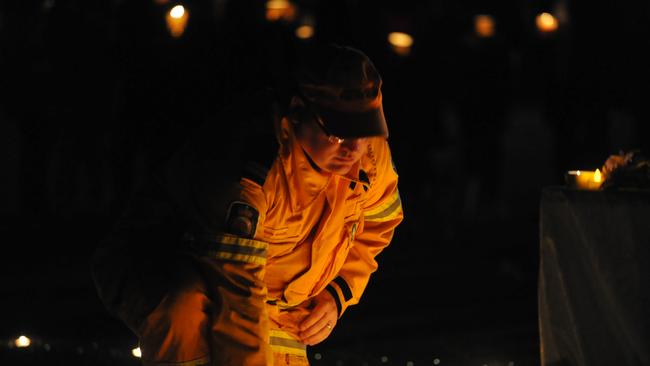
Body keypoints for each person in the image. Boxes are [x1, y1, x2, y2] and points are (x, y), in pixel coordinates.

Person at [91, 43, 403, 366]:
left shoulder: (368, 153)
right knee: (185, 311)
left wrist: (336, 294)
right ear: (297, 111)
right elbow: (236, 293)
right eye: (338, 135)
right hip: (171, 264)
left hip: (274, 303)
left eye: (364, 132)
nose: (354, 150)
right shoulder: (252, 166)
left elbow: (380, 224)